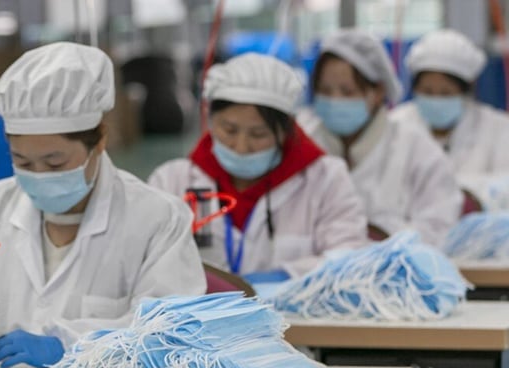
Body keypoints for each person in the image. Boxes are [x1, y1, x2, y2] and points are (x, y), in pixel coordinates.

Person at [0, 42, 205, 368]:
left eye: (55, 164)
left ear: (99, 141)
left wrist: (70, 346)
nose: (38, 176)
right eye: (22, 161)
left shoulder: (155, 217)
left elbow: (172, 329)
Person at [148, 53, 368, 282]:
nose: (241, 147)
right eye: (229, 130)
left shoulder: (326, 179)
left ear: (285, 132)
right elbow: (147, 259)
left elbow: (349, 255)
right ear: (210, 121)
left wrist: (286, 278)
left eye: (258, 134)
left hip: (296, 315)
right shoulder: (172, 181)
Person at [298, 29, 462, 246]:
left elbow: (440, 227)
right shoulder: (302, 144)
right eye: (325, 91)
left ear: (377, 92)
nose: (334, 100)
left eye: (347, 92)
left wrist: (380, 245)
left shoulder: (416, 149)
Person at [391, 29, 509, 192]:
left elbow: (504, 187)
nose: (436, 100)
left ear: (466, 92)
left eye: (446, 93)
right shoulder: (396, 125)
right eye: (427, 92)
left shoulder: (498, 128)